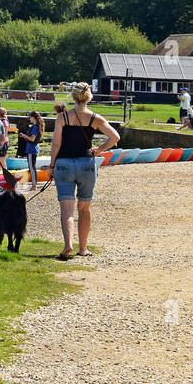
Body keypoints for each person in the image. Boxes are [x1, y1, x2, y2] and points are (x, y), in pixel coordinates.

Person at [52, 83, 119, 260]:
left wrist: (52, 165)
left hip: (64, 163)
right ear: (88, 97)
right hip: (86, 164)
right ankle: (83, 248)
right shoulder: (95, 118)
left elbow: (56, 144)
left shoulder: (62, 117)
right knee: (85, 207)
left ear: (73, 97)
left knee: (67, 209)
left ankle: (68, 245)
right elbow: (115, 137)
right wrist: (100, 149)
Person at [22, 111, 43, 189]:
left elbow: (32, 138)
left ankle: (34, 185)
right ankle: (34, 184)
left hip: (31, 149)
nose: (29, 119)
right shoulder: (38, 126)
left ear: (33, 118)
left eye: (30, 117)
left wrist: (24, 135)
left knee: (31, 167)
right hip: (33, 148)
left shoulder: (35, 127)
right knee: (32, 167)